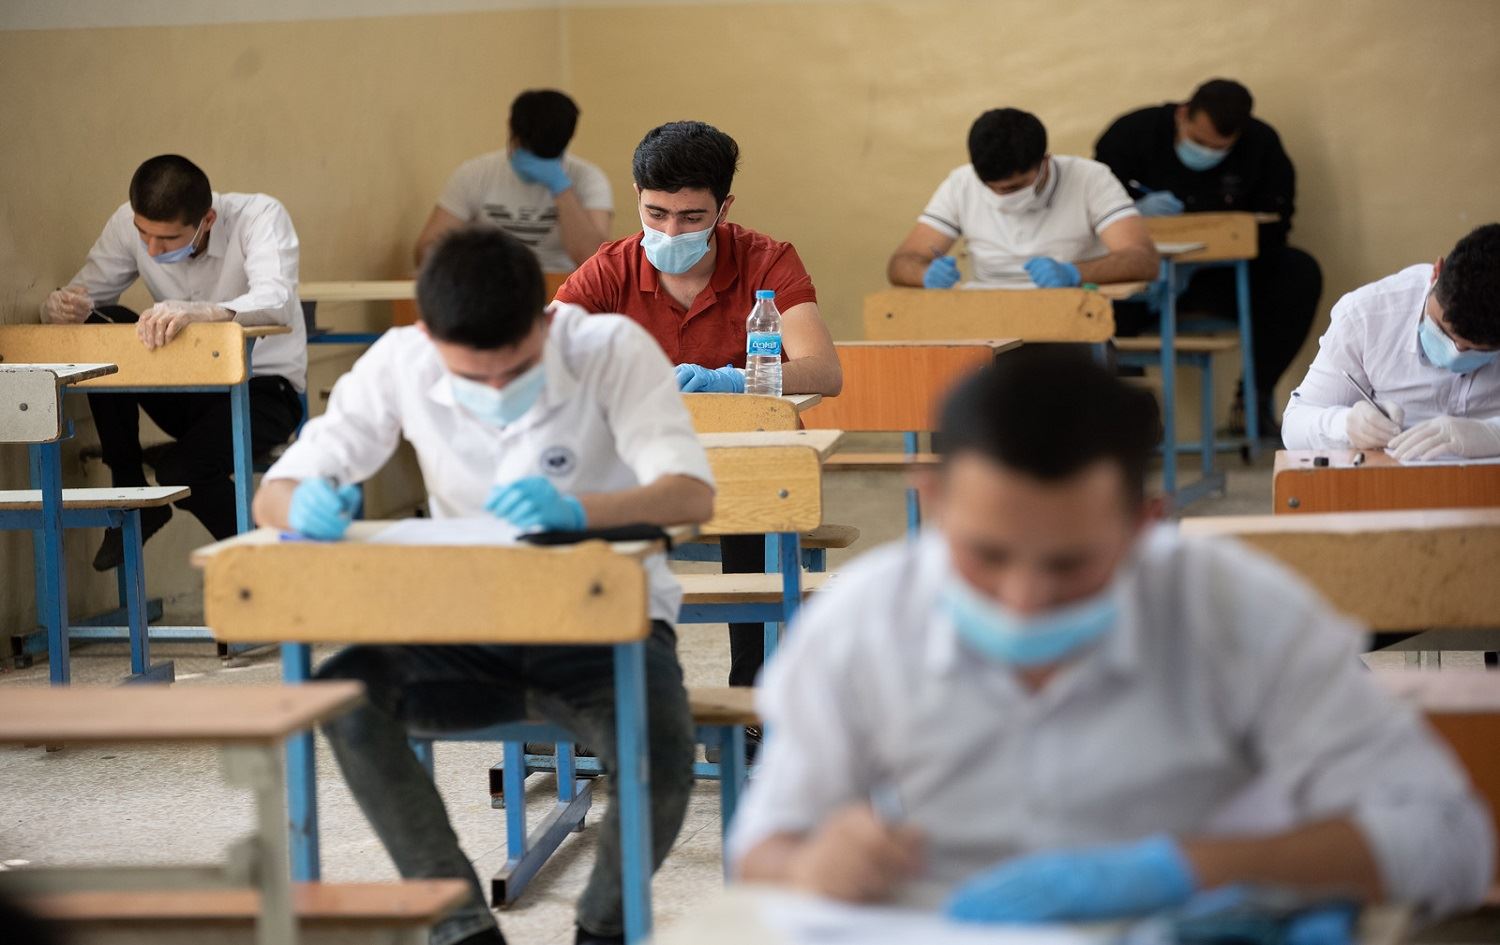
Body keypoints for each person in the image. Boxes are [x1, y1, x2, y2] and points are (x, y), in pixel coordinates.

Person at [729, 348, 1492, 928]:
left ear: (1143, 524)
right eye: (987, 555)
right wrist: (815, 865)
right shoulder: (862, 620)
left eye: (1071, 564)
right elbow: (760, 853)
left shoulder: (1236, 609)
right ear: (933, 499)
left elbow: (1448, 839)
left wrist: (1192, 867)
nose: (1025, 602)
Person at [253, 228, 715, 945]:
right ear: (430, 336)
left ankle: (604, 925)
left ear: (546, 319)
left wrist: (581, 514)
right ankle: (461, 926)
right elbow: (274, 494)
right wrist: (301, 503)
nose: (498, 389)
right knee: (342, 697)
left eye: (518, 369)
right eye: (476, 378)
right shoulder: (402, 359)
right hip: (465, 627)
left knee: (663, 747)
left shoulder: (610, 348)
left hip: (603, 628)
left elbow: (689, 495)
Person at [556, 120, 841, 717]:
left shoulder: (767, 260)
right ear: (636, 196)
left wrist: (734, 381)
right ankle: (596, 707)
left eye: (691, 217)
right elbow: (538, 353)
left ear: (723, 207)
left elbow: (821, 371)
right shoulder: (609, 269)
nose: (669, 231)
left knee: (755, 528)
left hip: (743, 465)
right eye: (655, 213)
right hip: (639, 466)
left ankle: (749, 704)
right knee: (579, 537)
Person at [42, 154, 306, 571]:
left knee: (183, 469)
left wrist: (209, 313)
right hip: (190, 391)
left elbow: (277, 301)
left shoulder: (259, 215)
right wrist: (58, 306)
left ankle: (274, 572)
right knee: (103, 326)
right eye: (142, 234)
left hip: (264, 391)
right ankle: (130, 494)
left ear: (208, 220)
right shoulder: (129, 222)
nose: (150, 248)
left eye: (165, 240)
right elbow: (85, 293)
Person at [1095, 78, 1323, 436]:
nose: (1206, 153)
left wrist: (1206, 252)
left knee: (1298, 272)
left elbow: (1276, 226)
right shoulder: (1130, 135)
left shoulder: (1261, 146)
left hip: (1221, 278)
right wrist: (1135, 214)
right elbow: (1096, 215)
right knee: (1095, 297)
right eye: (1199, 142)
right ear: (1183, 114)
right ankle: (1136, 416)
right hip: (1145, 274)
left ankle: (1252, 400)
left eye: (1220, 149)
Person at [1283, 223, 1500, 460]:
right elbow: (1295, 424)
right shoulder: (1367, 315)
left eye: (1474, 350)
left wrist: (1493, 433)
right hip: (1387, 484)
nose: (1456, 353)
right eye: (1441, 330)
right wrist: (1345, 425)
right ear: (1437, 273)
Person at [887, 108, 1158, 291]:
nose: (1002, 196)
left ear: (1045, 163)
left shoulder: (1090, 178)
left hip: (1070, 313)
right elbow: (901, 263)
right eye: (991, 187)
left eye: (1015, 187)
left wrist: (1073, 273)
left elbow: (1143, 259)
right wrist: (925, 274)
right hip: (988, 316)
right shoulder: (962, 182)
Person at [415, 89, 613, 272]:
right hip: (492, 285)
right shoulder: (475, 174)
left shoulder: (588, 179)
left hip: (562, 287)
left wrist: (561, 189)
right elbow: (425, 253)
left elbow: (595, 262)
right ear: (512, 131)